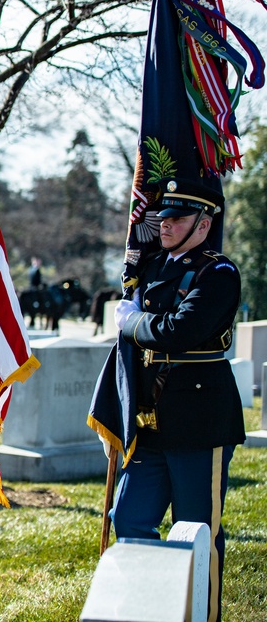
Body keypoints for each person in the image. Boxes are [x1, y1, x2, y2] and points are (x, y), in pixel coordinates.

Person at [111, 179, 245, 622]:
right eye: (163, 217)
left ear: (204, 225)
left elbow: (180, 331)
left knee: (196, 532)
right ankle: (149, 609)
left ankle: (200, 616)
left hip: (197, 419)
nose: (165, 225)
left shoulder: (217, 273)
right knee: (128, 518)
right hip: (150, 422)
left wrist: (132, 322)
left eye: (178, 219)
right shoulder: (149, 268)